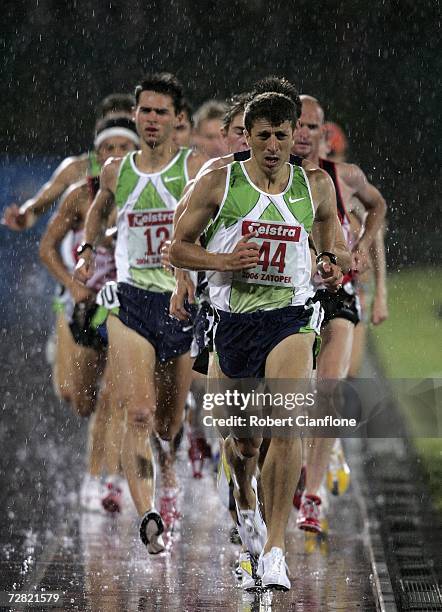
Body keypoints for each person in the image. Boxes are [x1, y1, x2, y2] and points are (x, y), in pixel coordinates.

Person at [169, 91, 347, 591]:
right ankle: (244, 496)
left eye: (281, 135)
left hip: (291, 317)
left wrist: (332, 264)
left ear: (296, 136)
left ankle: (275, 550)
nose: (272, 145)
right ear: (246, 136)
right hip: (232, 323)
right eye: (262, 135)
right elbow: (176, 246)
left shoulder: (315, 185)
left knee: (287, 424)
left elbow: (335, 244)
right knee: (244, 442)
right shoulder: (220, 180)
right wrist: (223, 263)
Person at [74, 72, 206, 553]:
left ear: (177, 120)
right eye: (145, 111)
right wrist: (90, 247)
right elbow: (98, 206)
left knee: (168, 424)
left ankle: (168, 463)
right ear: (136, 115)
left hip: (180, 303)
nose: (151, 120)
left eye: (161, 112)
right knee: (139, 413)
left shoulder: (193, 171)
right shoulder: (117, 170)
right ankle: (148, 514)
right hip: (130, 303)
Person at [292, 95, 386, 533]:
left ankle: (312, 493)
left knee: (327, 390)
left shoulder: (343, 177)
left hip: (337, 296)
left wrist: (363, 244)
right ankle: (292, 472)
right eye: (298, 125)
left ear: (323, 132)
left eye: (313, 126)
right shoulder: (266, 178)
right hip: (289, 297)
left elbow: (378, 206)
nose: (304, 134)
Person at [39, 116, 139, 512]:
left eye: (124, 149)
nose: (116, 157)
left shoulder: (153, 194)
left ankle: (106, 478)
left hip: (127, 306)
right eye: (109, 150)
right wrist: (73, 284)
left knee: (116, 395)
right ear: (98, 157)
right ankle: (103, 461)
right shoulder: (81, 196)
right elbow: (47, 247)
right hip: (85, 305)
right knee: (83, 401)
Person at [2, 93, 134, 231]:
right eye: (112, 125)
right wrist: (24, 216)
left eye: (126, 125)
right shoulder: (79, 169)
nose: (118, 133)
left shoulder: (151, 168)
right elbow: (39, 206)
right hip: (84, 248)